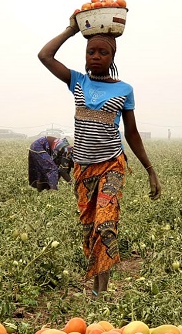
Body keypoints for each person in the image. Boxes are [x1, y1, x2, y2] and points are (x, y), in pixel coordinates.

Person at [38, 15, 161, 296]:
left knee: (106, 227)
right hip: (82, 168)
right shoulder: (77, 82)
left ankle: (100, 295)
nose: (95, 56)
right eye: (90, 51)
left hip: (111, 166)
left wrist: (150, 169)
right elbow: (45, 55)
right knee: (88, 229)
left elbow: (132, 133)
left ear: (112, 56)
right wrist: (71, 29)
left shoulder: (124, 89)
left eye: (102, 52)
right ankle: (96, 286)